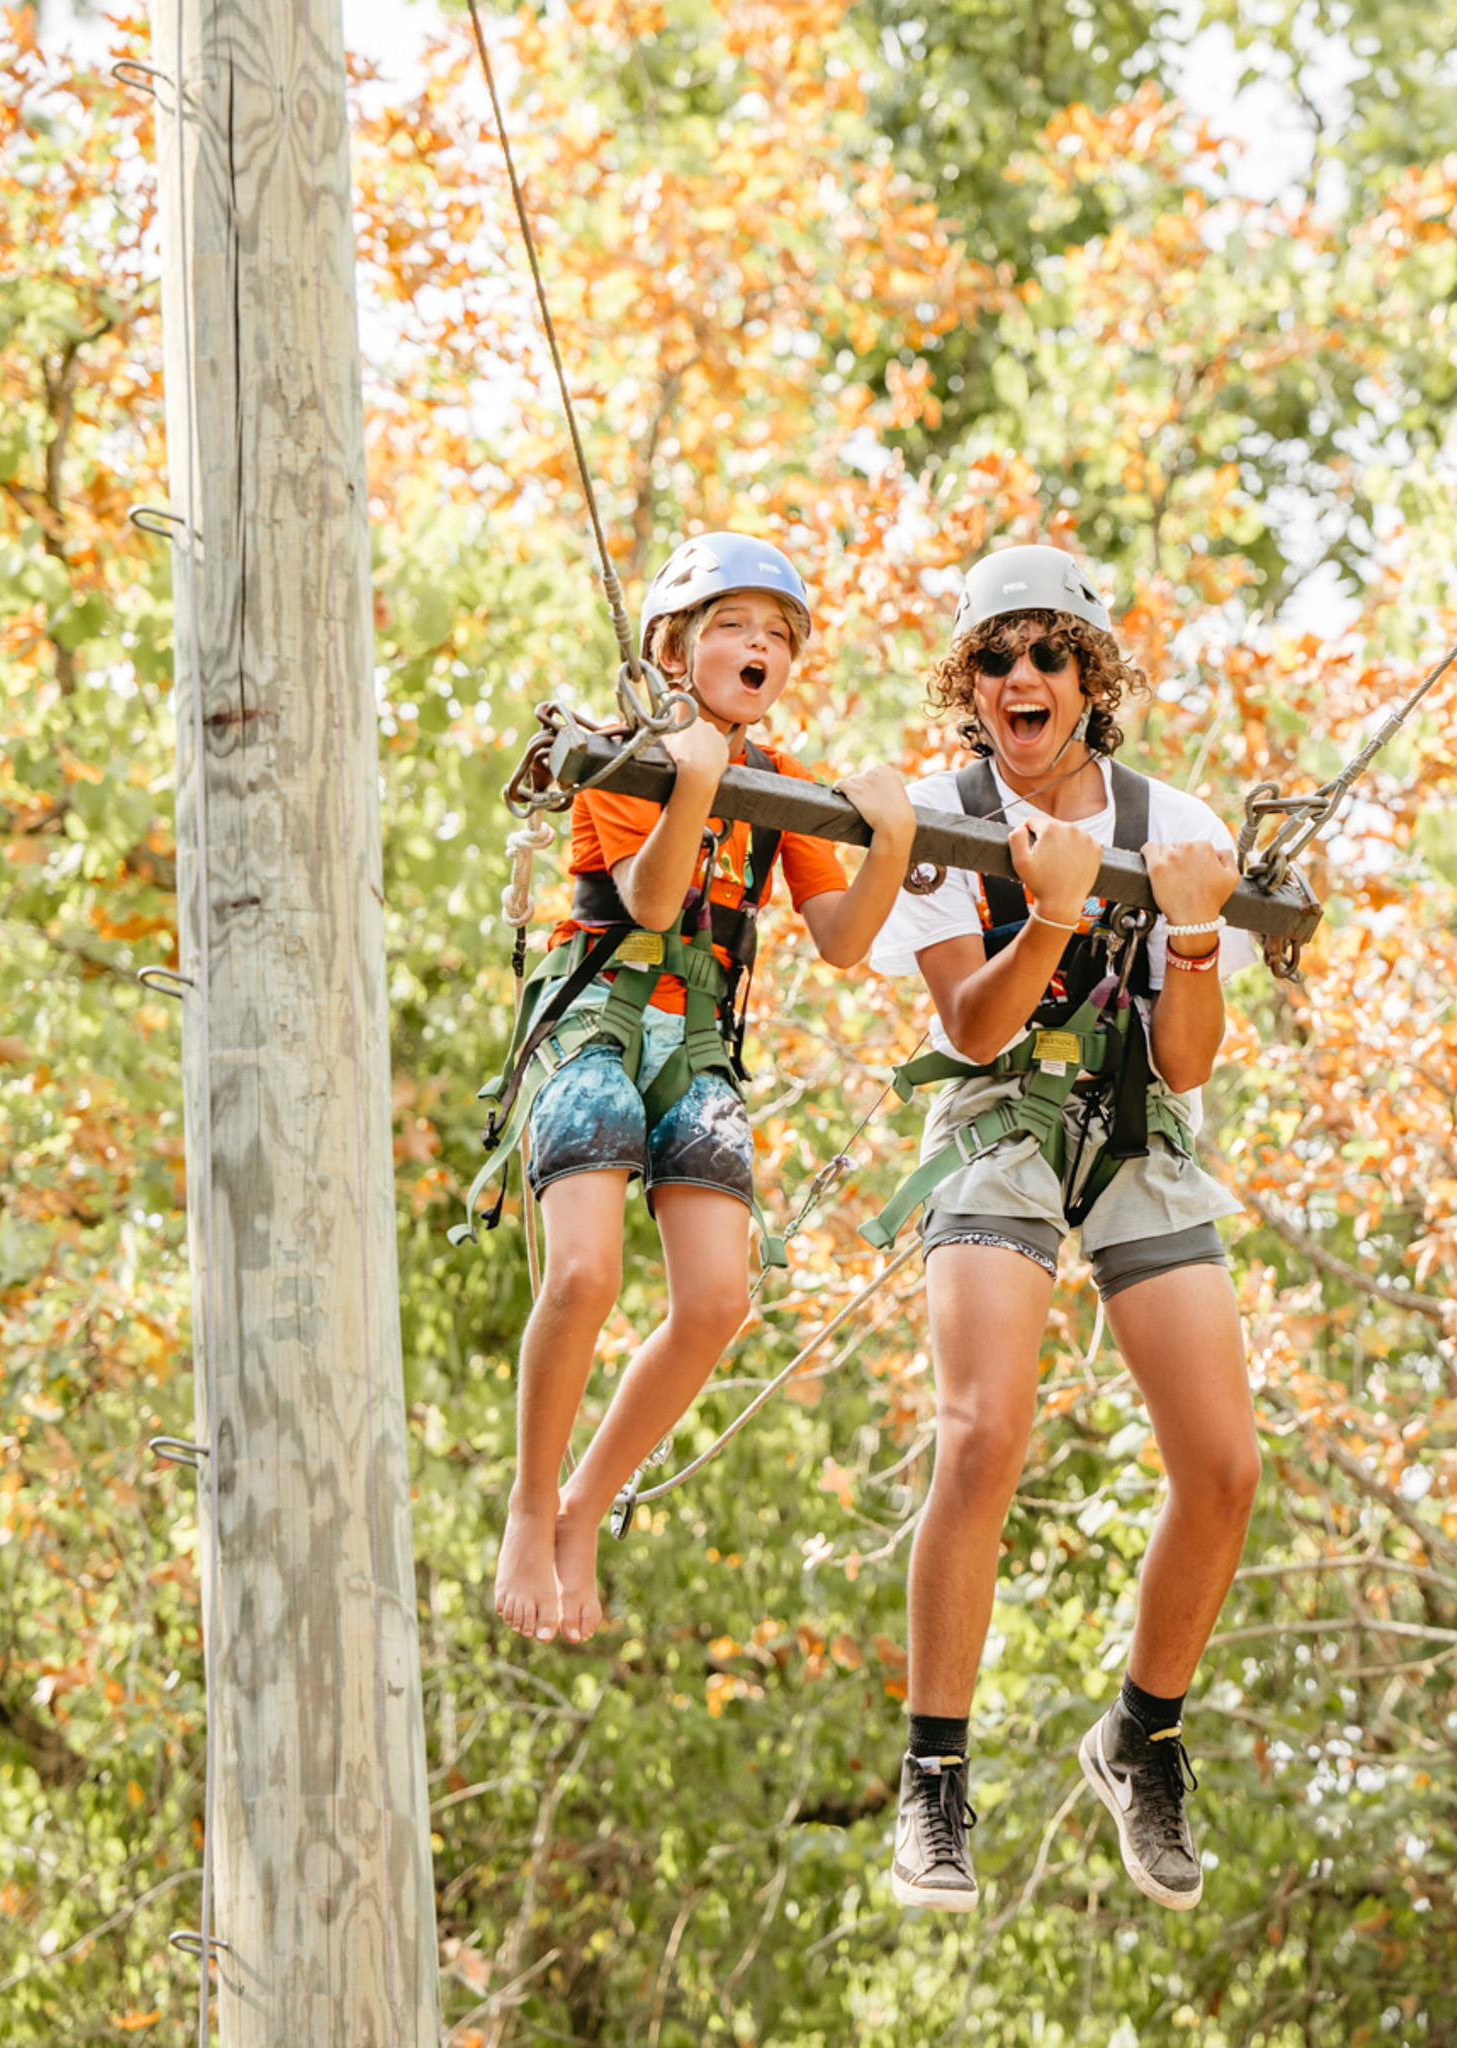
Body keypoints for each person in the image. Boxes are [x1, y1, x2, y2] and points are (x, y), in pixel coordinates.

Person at [866, 544, 1262, 1913]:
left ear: (1091, 680)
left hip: (1137, 1118)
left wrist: (1197, 935)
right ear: (969, 687)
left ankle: (1141, 1736)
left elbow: (1192, 1063)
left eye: (1047, 655)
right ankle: (935, 1776)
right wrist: (1045, 914)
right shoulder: (939, 817)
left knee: (1223, 1469)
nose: (1021, 679)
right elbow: (970, 1022)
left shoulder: (1176, 821)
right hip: (999, 1116)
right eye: (996, 659)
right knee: (984, 1432)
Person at [489, 533, 916, 1645]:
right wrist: (688, 780)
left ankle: (586, 1501)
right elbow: (647, 896)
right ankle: (531, 1504)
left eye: (776, 635)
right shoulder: (619, 756)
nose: (758, 646)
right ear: (672, 646)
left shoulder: (775, 787)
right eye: (734, 626)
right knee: (584, 1267)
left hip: (699, 1041)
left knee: (718, 1300)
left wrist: (890, 840)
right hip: (598, 1018)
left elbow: (840, 940)